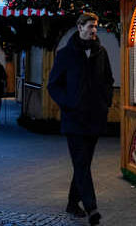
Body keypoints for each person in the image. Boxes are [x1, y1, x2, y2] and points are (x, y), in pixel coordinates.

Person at [48, 13, 114, 225]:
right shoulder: (65, 54)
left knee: (83, 163)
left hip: (95, 117)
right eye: (90, 26)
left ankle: (71, 203)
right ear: (79, 27)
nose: (94, 30)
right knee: (81, 163)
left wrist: (106, 103)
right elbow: (53, 85)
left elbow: (108, 80)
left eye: (95, 26)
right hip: (74, 119)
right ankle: (92, 207)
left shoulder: (101, 52)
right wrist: (68, 103)